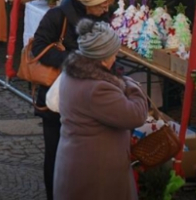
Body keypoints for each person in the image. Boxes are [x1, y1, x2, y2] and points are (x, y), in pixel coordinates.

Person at [31, 0, 115, 200]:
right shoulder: (57, 16)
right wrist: (75, 61)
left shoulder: (102, 19)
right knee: (55, 155)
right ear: (87, 3)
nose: (107, 6)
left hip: (87, 102)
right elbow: (38, 47)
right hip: (55, 101)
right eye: (103, 3)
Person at [53, 19, 148, 200]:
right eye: (114, 53)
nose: (115, 57)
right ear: (104, 56)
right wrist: (130, 84)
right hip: (96, 174)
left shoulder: (71, 73)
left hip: (77, 163)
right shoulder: (98, 88)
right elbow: (136, 115)